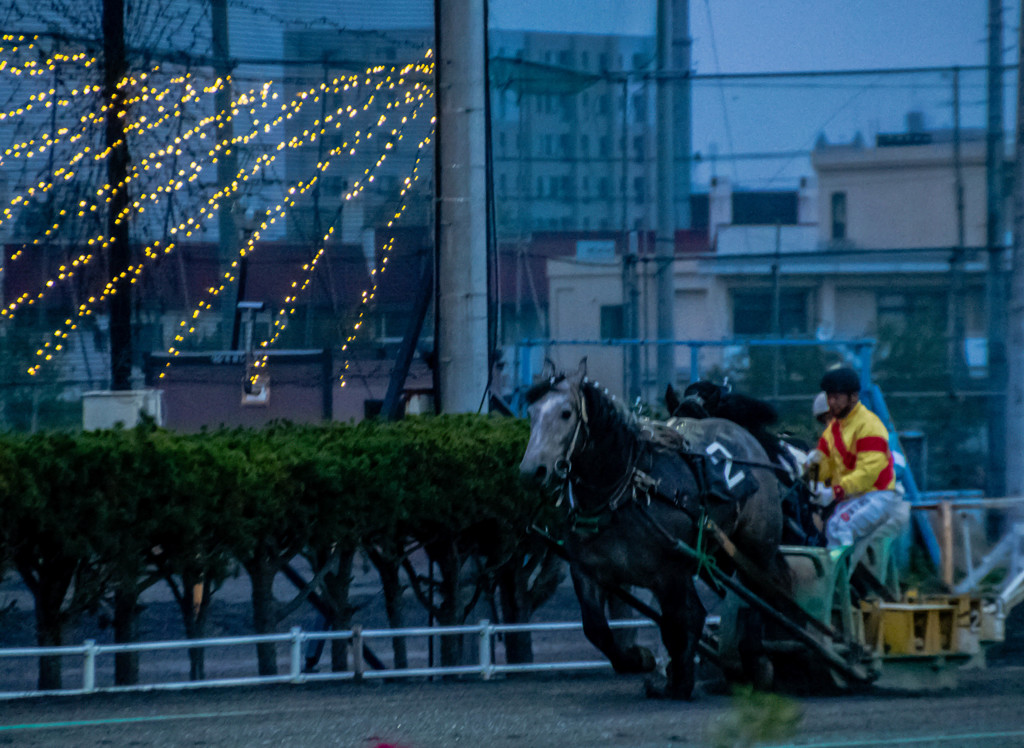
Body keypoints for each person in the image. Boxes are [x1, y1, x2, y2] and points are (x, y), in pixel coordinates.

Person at [810, 367, 902, 549]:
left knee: (840, 527)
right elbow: (825, 465)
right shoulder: (834, 429)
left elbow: (868, 472)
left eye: (837, 397)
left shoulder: (869, 425)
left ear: (853, 397)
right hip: (854, 497)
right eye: (829, 397)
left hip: (877, 495)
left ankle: (839, 576)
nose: (831, 402)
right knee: (829, 528)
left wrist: (835, 491)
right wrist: (811, 472)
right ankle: (841, 573)